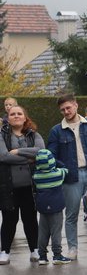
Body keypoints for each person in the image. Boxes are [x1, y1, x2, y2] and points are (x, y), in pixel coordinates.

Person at [46, 93, 87, 259]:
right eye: (62, 110)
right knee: (71, 214)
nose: (66, 111)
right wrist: (65, 168)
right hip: (71, 178)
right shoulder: (56, 131)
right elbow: (52, 156)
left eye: (68, 107)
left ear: (76, 105)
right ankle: (72, 249)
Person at [0, 106, 43, 265]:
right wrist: (29, 158)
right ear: (8, 118)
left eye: (19, 114)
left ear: (25, 117)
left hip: (30, 187)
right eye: (13, 114)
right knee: (9, 220)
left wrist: (17, 151)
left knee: (31, 219)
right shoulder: (2, 136)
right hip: (9, 187)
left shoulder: (34, 135)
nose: (16, 116)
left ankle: (35, 250)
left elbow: (41, 152)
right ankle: (4, 251)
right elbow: (3, 156)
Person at [33, 149, 70, 265]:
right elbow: (65, 169)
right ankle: (57, 255)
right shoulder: (58, 174)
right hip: (56, 208)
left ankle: (42, 256)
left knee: (42, 232)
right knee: (56, 231)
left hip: (43, 208)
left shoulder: (36, 176)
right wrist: (56, 163)